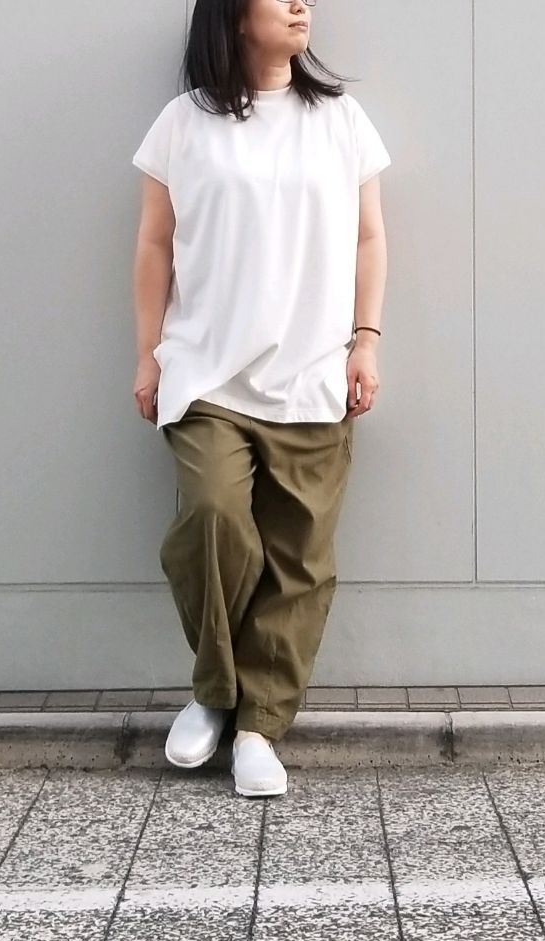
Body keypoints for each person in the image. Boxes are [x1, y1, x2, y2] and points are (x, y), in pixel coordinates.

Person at [129, 0, 391, 798]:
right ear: (234, 16)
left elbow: (369, 237)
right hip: (206, 371)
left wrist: (366, 339)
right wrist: (147, 354)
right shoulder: (183, 123)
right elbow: (154, 243)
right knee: (212, 519)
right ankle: (215, 689)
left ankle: (257, 729)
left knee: (297, 561)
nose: (301, 5)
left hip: (312, 373)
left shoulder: (340, 120)